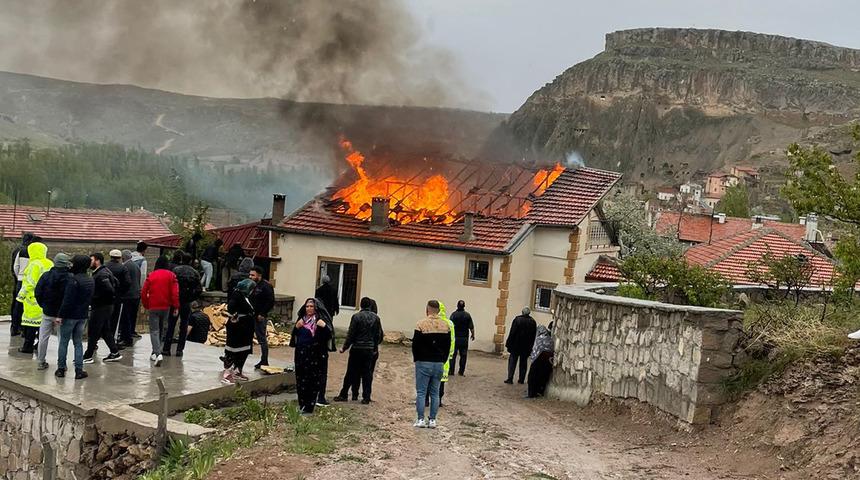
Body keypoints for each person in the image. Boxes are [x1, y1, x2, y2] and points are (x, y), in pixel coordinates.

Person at [334, 297, 383, 404]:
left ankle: (344, 394)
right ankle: (366, 397)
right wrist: (374, 347)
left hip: (357, 348)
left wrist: (344, 347)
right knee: (367, 373)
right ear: (370, 305)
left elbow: (351, 334)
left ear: (361, 305)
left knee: (351, 372)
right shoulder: (376, 318)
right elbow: (378, 335)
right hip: (369, 349)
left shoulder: (356, 317)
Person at [412, 300, 451, 429]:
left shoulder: (421, 324)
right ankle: (433, 420)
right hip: (438, 362)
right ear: (439, 311)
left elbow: (415, 345)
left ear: (427, 309)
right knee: (435, 392)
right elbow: (448, 345)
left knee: (421, 392)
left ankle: (420, 419)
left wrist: (417, 359)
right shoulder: (446, 325)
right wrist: (443, 360)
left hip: (423, 361)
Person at [290, 298, 333, 415]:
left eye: (311, 306)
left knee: (312, 380)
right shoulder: (301, 320)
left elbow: (329, 336)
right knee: (301, 379)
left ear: (316, 308)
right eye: (307, 306)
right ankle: (302, 405)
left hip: (315, 355)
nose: (309, 308)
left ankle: (309, 406)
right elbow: (294, 337)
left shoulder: (320, 321)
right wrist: (296, 328)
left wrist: (324, 327)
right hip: (301, 354)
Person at [55, 255, 95, 379]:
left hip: (70, 316)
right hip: (82, 315)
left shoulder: (73, 280)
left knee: (64, 342)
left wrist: (60, 315)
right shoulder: (90, 280)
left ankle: (61, 369)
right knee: (78, 343)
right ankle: (79, 370)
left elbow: (67, 300)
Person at [34, 253, 72, 371]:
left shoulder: (46, 276)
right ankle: (62, 364)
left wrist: (43, 305)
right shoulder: (70, 278)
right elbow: (70, 297)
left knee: (43, 338)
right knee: (62, 339)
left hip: (47, 312)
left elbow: (38, 292)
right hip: (63, 314)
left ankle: (40, 361)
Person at [83, 253, 123, 364]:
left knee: (94, 331)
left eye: (91, 260)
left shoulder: (101, 274)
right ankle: (114, 352)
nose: (89, 263)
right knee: (105, 331)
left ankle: (88, 355)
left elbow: (109, 290)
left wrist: (95, 297)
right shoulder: (102, 272)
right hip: (105, 306)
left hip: (101, 306)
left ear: (97, 261)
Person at [141, 255, 179, 367]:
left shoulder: (151, 275)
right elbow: (175, 293)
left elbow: (143, 292)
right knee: (162, 328)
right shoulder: (171, 275)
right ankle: (156, 351)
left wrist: (146, 304)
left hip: (153, 306)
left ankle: (157, 353)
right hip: (166, 307)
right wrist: (176, 306)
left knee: (154, 330)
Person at [16, 241, 53, 354]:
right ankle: (39, 345)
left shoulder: (34, 264)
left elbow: (29, 282)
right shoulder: (49, 263)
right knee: (43, 325)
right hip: (46, 299)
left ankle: (27, 346)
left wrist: (21, 295)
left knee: (30, 325)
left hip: (32, 299)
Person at [163, 251, 202, 357]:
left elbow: (169, 285)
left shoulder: (175, 270)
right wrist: (191, 298)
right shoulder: (194, 273)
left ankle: (166, 348)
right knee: (184, 325)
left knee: (171, 324)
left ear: (181, 260)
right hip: (186, 302)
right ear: (190, 261)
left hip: (175, 300)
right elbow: (199, 289)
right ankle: (180, 349)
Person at [221, 279, 257, 384]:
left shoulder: (246, 297)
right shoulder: (237, 295)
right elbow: (231, 308)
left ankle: (237, 371)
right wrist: (236, 316)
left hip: (246, 328)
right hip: (238, 327)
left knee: (243, 350)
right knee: (233, 350)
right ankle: (227, 374)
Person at [9, 232, 37, 336]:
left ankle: (14, 327)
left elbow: (15, 267)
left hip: (17, 280)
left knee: (16, 304)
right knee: (25, 305)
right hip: (26, 281)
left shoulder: (17, 249)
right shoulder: (30, 250)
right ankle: (22, 328)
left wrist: (18, 277)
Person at [249, 266, 275, 369]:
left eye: (253, 275)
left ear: (259, 275)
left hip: (260, 316)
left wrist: (263, 314)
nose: (250, 277)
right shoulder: (252, 285)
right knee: (247, 337)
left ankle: (264, 360)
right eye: (250, 274)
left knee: (261, 339)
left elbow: (270, 301)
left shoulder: (266, 286)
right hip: (251, 315)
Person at [504, 307, 537, 385]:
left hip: (516, 345)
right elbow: (533, 336)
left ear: (522, 312)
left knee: (512, 362)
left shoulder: (517, 320)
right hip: (526, 346)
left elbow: (512, 332)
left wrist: (508, 343)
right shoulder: (533, 322)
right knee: (523, 363)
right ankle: (521, 379)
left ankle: (510, 378)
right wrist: (531, 346)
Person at [105, 249, 131, 347]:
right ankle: (112, 340)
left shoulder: (105, 267)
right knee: (115, 319)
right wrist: (121, 291)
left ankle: (96, 341)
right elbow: (128, 282)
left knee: (104, 318)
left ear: (110, 256)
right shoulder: (123, 268)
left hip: (105, 297)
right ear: (120, 258)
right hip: (117, 297)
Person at [117, 249, 142, 347]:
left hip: (128, 295)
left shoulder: (125, 267)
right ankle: (130, 334)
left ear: (122, 258)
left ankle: (126, 338)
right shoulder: (136, 265)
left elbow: (125, 282)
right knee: (131, 316)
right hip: (136, 294)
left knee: (125, 317)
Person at [527, 325, 555, 398]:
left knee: (532, 377)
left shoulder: (539, 339)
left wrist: (533, 358)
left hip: (538, 360)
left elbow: (535, 350)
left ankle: (531, 393)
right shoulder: (550, 339)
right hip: (547, 362)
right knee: (543, 378)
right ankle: (540, 391)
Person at [449, 300, 475, 376]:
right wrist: (473, 335)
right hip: (464, 339)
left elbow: (450, 326)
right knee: (463, 355)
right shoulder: (467, 315)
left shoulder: (453, 315)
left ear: (457, 306)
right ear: (464, 306)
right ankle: (461, 372)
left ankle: (451, 371)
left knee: (453, 355)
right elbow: (471, 327)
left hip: (455, 338)